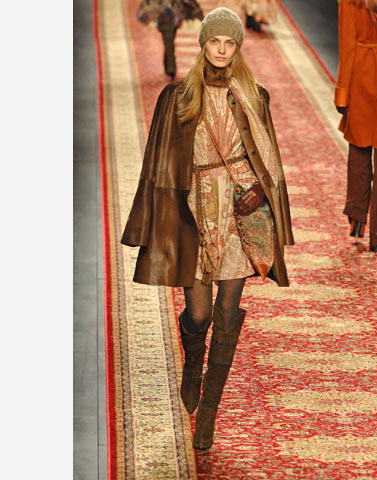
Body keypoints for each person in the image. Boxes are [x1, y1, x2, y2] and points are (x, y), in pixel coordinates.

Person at [121, 7, 294, 449]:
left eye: (229, 42)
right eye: (214, 41)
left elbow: (269, 157)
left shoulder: (254, 95)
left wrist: (260, 192)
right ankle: (192, 364)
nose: (221, 49)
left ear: (237, 46)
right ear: (203, 44)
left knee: (228, 311)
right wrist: (155, 218)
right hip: (194, 212)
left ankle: (210, 413)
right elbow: (158, 163)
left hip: (240, 211)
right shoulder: (178, 97)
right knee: (198, 313)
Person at [334, 0, 377, 252]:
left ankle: (357, 219)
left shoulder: (350, 1)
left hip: (359, 71)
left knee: (359, 147)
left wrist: (342, 93)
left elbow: (347, 47)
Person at [136, 0, 204, 80]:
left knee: (169, 41)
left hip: (172, 13)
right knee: (169, 40)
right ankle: (171, 68)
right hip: (164, 15)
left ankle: (169, 67)